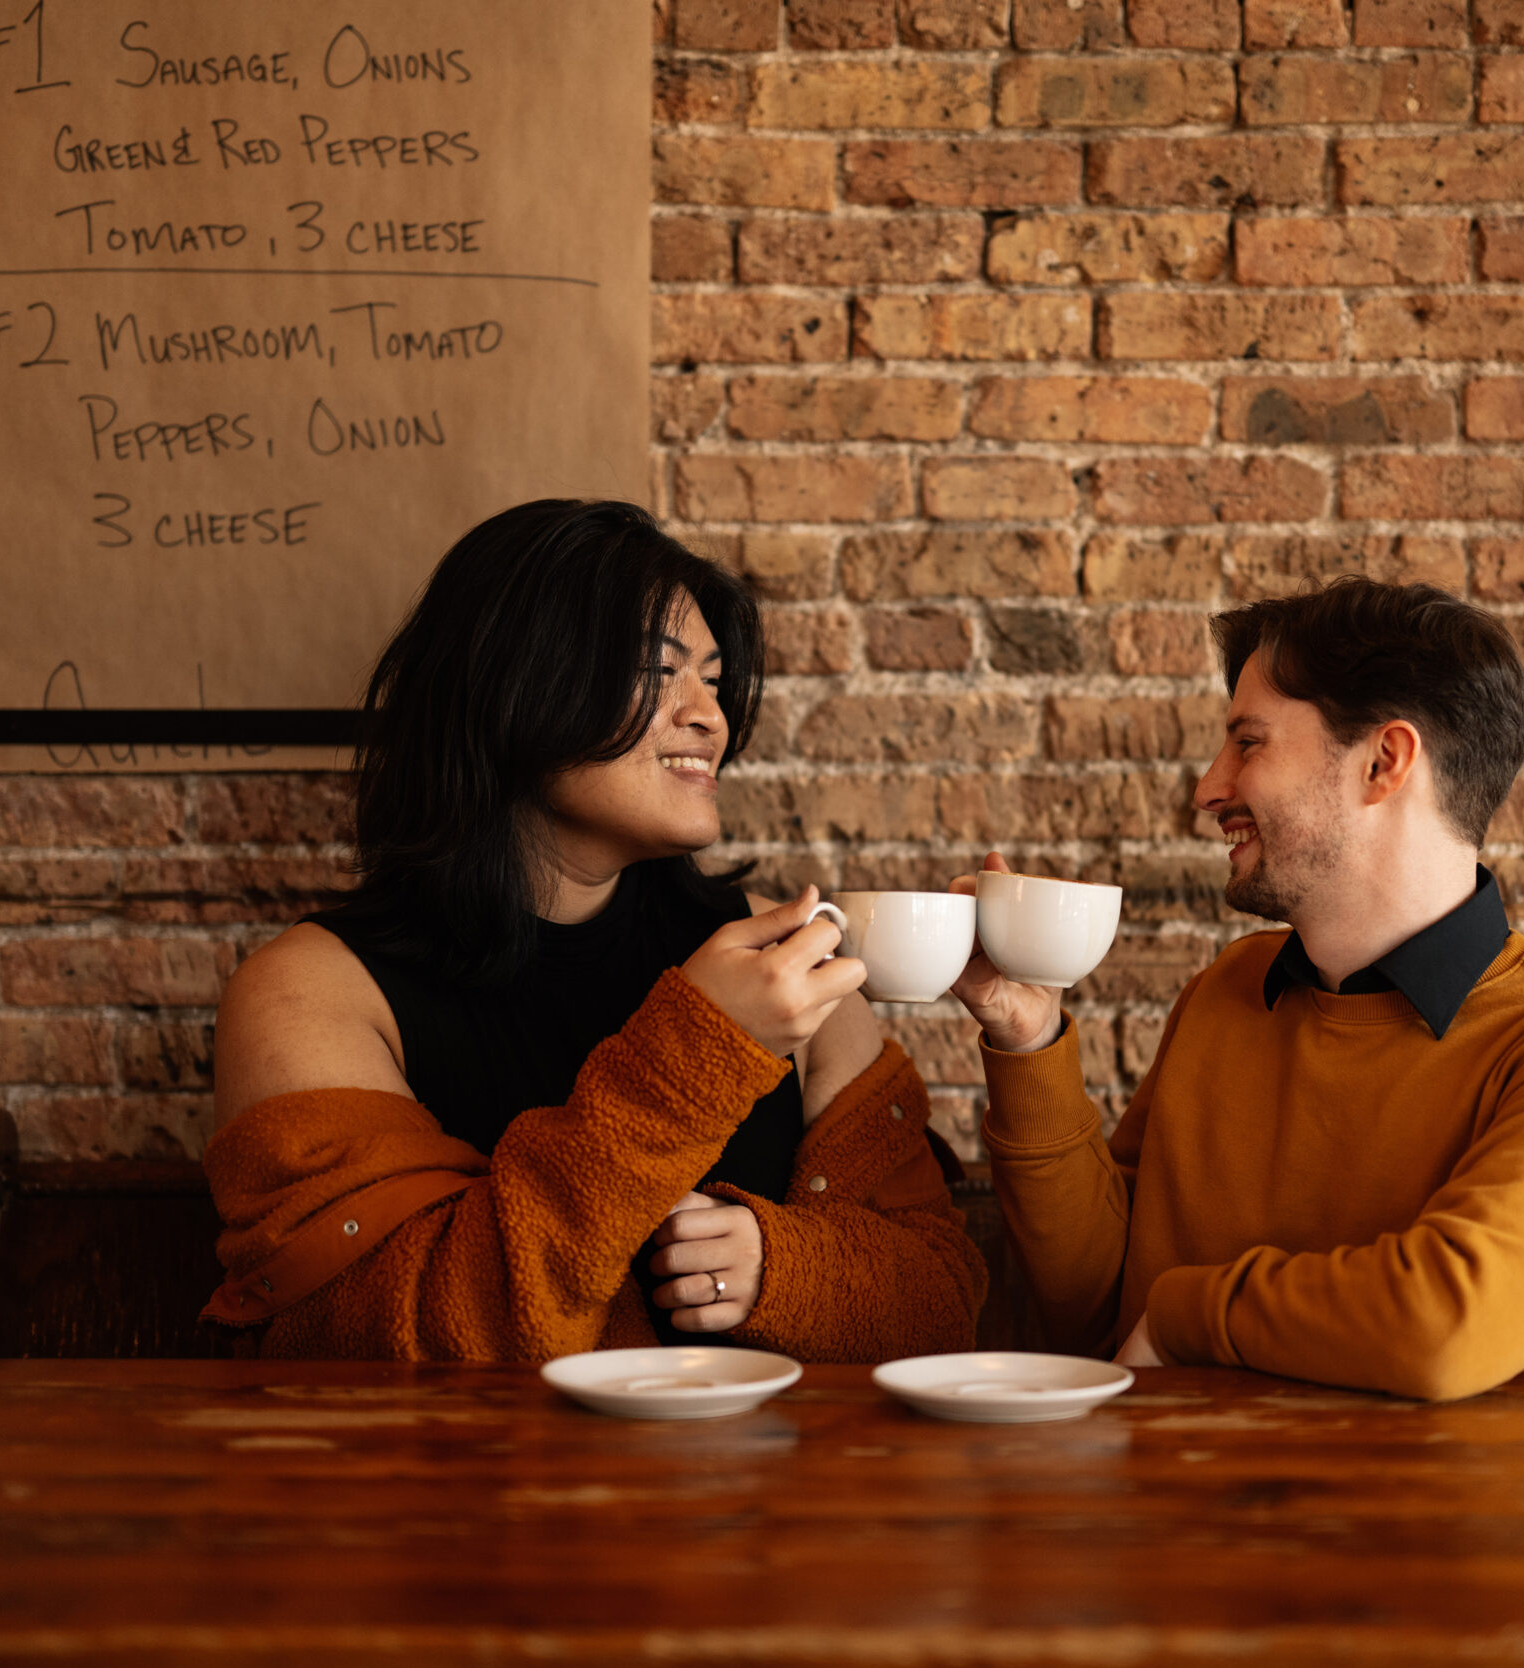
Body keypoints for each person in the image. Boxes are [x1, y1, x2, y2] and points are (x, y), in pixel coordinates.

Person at [203, 499, 984, 1363]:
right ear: (510, 682)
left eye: (714, 683)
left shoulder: (782, 961)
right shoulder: (311, 992)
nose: (710, 719)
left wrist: (779, 1268)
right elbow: (378, 1335)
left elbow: (942, 1293)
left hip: (754, 1491)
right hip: (457, 1495)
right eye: (659, 672)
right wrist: (699, 1055)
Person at [955, 577, 1524, 1402]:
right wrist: (1025, 1035)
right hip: (1181, 1513)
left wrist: (1186, 1314)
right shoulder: (1225, 993)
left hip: (1456, 1528)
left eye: (1249, 742)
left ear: (1383, 761)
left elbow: (1444, 1325)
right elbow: (1097, 1322)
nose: (1208, 787)